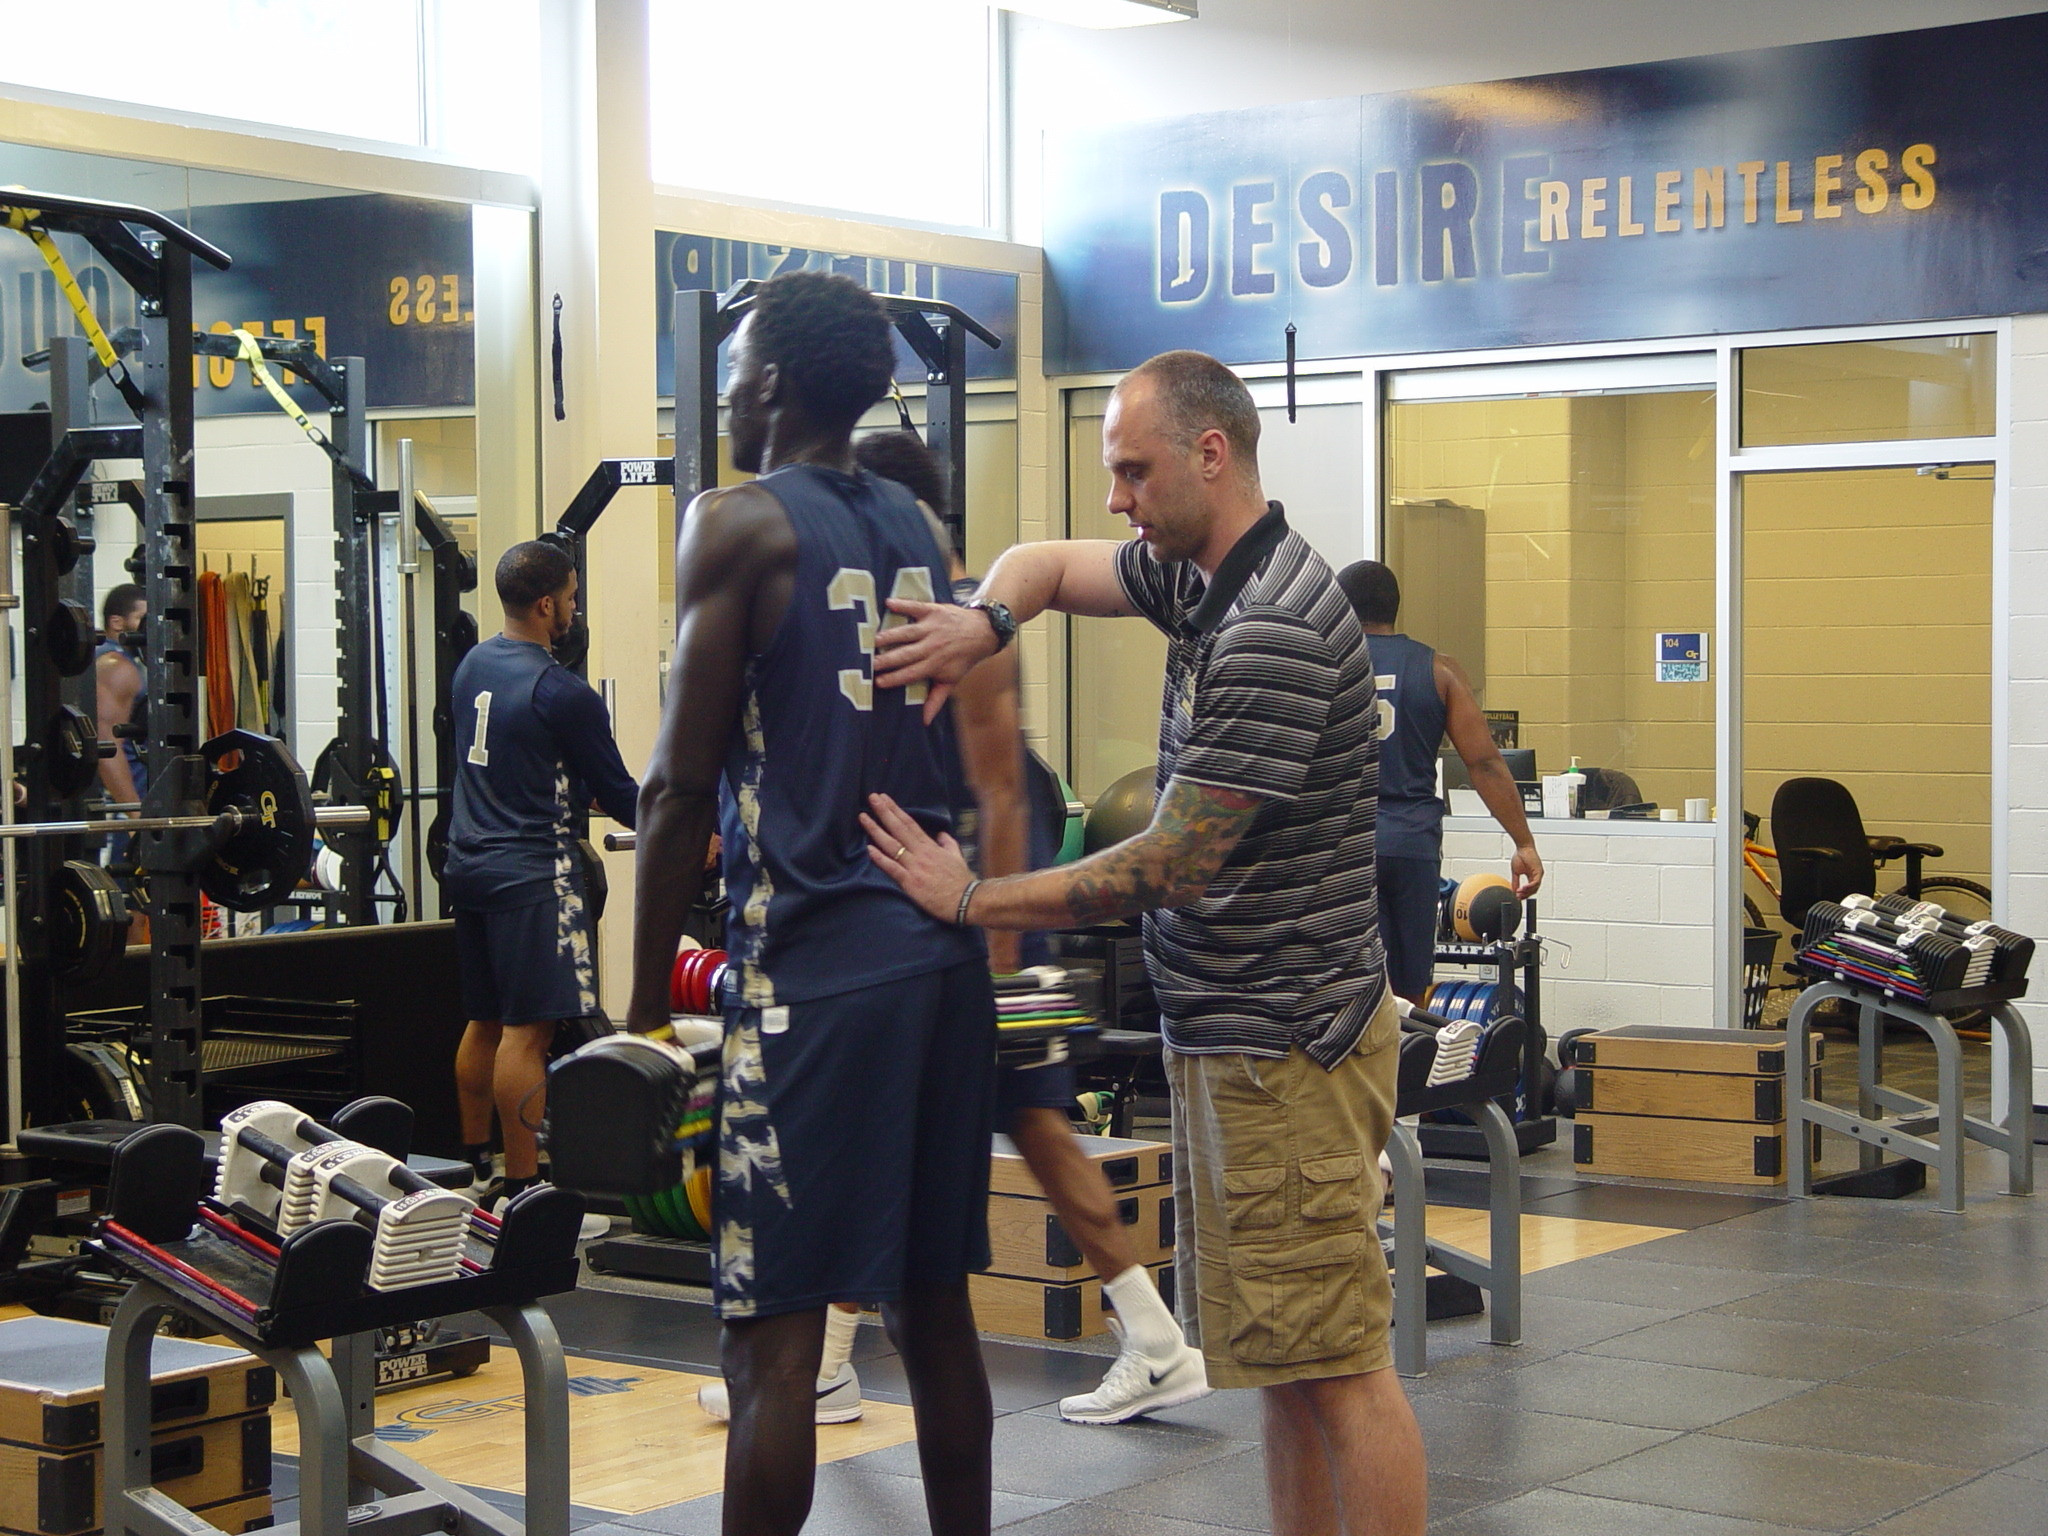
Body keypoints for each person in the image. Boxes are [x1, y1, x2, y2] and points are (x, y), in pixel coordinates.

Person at [862, 350, 1428, 1536]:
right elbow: (1055, 566)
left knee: (1336, 1369)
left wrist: (972, 900)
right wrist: (985, 617)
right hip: (1242, 1041)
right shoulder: (1205, 575)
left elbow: (1163, 864)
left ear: (1209, 456)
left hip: (1286, 1052)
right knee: (1279, 1365)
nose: (1115, 499)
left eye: (1131, 470)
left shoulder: (1269, 622)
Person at [695, 430, 1205, 1429]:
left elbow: (1002, 793)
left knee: (1040, 1136)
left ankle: (1150, 1339)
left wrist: (997, 949)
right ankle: (841, 1357)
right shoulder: (886, 613)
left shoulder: (959, 619)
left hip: (987, 927)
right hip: (942, 925)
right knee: (926, 1143)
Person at [625, 272, 999, 1536]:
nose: (728, 386)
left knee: (772, 1356)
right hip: (938, 962)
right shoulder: (911, 519)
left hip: (819, 979)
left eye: (736, 364)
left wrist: (632, 1020)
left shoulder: (733, 523)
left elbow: (676, 783)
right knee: (932, 1311)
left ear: (772, 381)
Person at [443, 540, 638, 1232]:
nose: (576, 608)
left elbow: (513, 761)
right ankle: (526, 1193)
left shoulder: (472, 666)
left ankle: (475, 1174)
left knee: (485, 1021)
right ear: (548, 602)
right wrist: (691, 831)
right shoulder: (563, 692)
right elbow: (622, 795)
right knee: (528, 1035)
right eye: (575, 596)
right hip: (532, 872)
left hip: (469, 864)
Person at [1336, 560, 1542, 1003]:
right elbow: (1485, 763)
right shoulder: (1439, 670)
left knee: (1348, 991)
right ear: (1396, 607)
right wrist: (1524, 843)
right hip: (1411, 846)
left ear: (1340, 606)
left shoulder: (1318, 667)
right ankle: (1404, 1071)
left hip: (1343, 849)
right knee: (1408, 991)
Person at [95, 585, 150, 892]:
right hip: (124, 812)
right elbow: (107, 745)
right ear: (117, 623)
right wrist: (135, 817)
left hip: (134, 803)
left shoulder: (129, 661)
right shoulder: (117, 667)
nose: (149, 627)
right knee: (125, 911)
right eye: (142, 619)